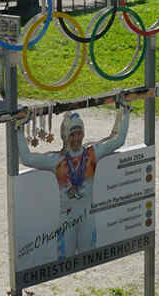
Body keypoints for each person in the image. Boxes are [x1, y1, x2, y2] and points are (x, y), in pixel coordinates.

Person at [18, 103, 131, 263]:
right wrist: (18, 129)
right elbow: (26, 158)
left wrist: (126, 113)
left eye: (79, 133)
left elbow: (119, 141)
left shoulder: (92, 153)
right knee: (65, 262)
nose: (76, 138)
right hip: (67, 221)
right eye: (72, 134)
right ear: (66, 136)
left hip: (87, 218)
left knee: (88, 260)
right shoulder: (57, 160)